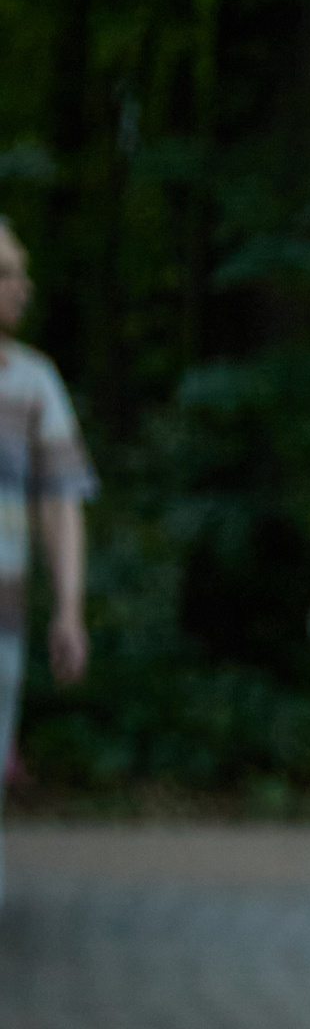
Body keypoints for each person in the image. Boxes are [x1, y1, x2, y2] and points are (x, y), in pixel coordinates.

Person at [0, 217, 94, 910]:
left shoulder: (33, 382)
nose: (21, 287)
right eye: (7, 272)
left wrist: (68, 608)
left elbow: (62, 504)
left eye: (21, 271)